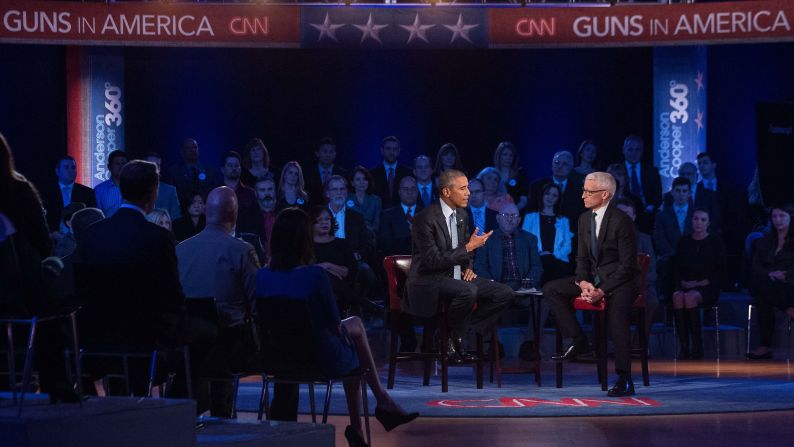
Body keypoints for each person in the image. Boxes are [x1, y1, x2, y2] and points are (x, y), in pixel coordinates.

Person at [257, 208, 418, 445]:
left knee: (352, 334)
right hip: (317, 360)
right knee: (354, 338)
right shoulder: (315, 275)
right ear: (304, 240)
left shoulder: (261, 276)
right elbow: (333, 325)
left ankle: (367, 421)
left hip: (276, 360)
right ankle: (377, 407)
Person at [544, 172, 639, 397]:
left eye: (589, 192)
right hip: (595, 279)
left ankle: (625, 378)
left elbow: (627, 266)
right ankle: (579, 340)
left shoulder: (622, 221)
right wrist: (583, 281)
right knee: (552, 289)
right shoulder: (584, 218)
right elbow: (582, 259)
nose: (583, 196)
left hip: (621, 281)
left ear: (605, 195)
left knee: (616, 315)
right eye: (583, 190)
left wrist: (602, 290)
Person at [405, 169, 514, 362]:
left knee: (504, 293)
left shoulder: (462, 215)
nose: (468, 193)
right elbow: (433, 261)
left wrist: (469, 266)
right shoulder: (424, 219)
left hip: (457, 276)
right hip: (429, 279)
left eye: (468, 189)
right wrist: (469, 247)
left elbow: (465, 252)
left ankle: (455, 334)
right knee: (468, 291)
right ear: (446, 192)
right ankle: (455, 336)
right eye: (463, 188)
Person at [176, 186, 260, 416]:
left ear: (206, 212)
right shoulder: (242, 251)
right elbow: (258, 303)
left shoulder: (180, 250)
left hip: (184, 348)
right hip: (230, 350)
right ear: (234, 215)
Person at [474, 203, 544, 354]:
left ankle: (529, 344)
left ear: (519, 220)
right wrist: (493, 285)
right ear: (498, 219)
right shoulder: (486, 239)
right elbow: (480, 268)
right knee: (483, 297)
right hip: (498, 289)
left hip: (522, 287)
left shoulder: (529, 239)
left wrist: (528, 282)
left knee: (543, 301)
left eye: (514, 216)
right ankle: (492, 344)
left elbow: (537, 267)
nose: (510, 220)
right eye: (506, 216)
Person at [671, 208, 726, 360]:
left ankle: (697, 346)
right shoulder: (684, 241)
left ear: (708, 223)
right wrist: (682, 282)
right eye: (696, 219)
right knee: (677, 296)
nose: (698, 223)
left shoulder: (715, 241)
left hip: (708, 286)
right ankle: (684, 346)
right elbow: (677, 267)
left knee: (690, 298)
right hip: (686, 285)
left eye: (702, 220)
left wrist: (701, 282)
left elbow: (721, 270)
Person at [312, 206, 382, 316]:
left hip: (342, 286)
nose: (324, 223)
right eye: (319, 220)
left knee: (326, 277)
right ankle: (363, 304)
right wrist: (325, 270)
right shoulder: (306, 246)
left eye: (327, 219)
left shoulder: (342, 244)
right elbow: (305, 270)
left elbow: (350, 271)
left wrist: (327, 265)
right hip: (315, 289)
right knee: (324, 277)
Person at [747, 205, 794, 360]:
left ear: (790, 217)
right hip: (768, 283)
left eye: (782, 216)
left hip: (788, 284)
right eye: (774, 217)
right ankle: (789, 309)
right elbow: (755, 267)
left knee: (762, 296)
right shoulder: (764, 241)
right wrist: (771, 274)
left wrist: (784, 275)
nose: (777, 220)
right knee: (760, 285)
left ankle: (764, 346)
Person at [325, 175, 377, 301]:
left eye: (342, 189)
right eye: (335, 190)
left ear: (346, 192)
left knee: (366, 272)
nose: (339, 193)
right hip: (327, 259)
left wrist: (358, 255)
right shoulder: (320, 215)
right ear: (327, 193)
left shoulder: (356, 217)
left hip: (352, 260)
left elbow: (367, 244)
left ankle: (359, 306)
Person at [614, 198, 659, 341]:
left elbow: (651, 269)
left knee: (652, 301)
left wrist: (640, 286)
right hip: (613, 286)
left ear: (633, 217)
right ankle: (615, 343)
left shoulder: (645, 239)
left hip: (641, 286)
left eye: (627, 214)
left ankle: (639, 343)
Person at [521, 183, 574, 284]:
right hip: (536, 260)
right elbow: (524, 242)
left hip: (558, 261)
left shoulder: (563, 220)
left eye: (554, 195)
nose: (550, 197)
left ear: (558, 199)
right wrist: (541, 254)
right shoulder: (530, 217)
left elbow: (567, 247)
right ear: (542, 195)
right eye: (547, 194)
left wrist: (553, 255)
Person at [654, 177, 694, 298]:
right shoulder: (662, 216)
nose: (681, 194)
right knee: (666, 264)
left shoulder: (697, 214)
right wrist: (674, 256)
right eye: (678, 190)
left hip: (692, 256)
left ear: (689, 193)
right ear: (672, 192)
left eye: (684, 191)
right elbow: (659, 238)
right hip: (670, 258)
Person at [42, 155, 96, 241]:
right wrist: (52, 234)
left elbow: (92, 218)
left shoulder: (87, 193)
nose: (71, 170)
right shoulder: (45, 193)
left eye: (73, 167)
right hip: (54, 241)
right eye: (66, 167)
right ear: (57, 171)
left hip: (80, 240)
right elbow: (43, 218)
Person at [528, 150, 585, 230]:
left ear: (571, 167)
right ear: (552, 165)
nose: (559, 166)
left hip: (569, 235)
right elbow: (531, 212)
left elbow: (581, 218)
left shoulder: (579, 190)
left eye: (564, 164)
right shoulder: (537, 186)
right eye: (557, 162)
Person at [662, 162, 721, 232]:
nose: (686, 177)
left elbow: (715, 219)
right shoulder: (668, 196)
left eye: (689, 174)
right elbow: (666, 221)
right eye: (682, 174)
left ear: (697, 175)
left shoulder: (709, 195)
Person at [622, 135, 662, 233]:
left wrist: (652, 206)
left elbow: (658, 195)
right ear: (623, 150)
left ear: (642, 151)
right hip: (623, 214)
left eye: (637, 150)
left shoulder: (652, 171)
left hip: (648, 215)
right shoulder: (617, 170)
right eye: (630, 149)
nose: (634, 153)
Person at [221, 151, 264, 238]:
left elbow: (257, 222)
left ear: (240, 169)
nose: (234, 168)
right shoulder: (215, 193)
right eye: (230, 165)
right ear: (222, 169)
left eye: (236, 165)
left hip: (244, 243)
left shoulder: (250, 193)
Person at [167, 138, 219, 206]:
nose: (192, 150)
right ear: (182, 152)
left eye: (195, 147)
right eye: (188, 148)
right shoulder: (174, 172)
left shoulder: (210, 172)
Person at [379, 176, 420, 257]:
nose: (410, 192)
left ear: (417, 191)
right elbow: (386, 245)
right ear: (399, 192)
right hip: (396, 262)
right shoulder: (387, 215)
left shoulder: (428, 214)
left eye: (413, 189)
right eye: (405, 189)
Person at [369, 136, 413, 209]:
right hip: (379, 216)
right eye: (388, 149)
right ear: (382, 150)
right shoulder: (372, 174)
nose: (391, 152)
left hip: (402, 215)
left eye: (395, 149)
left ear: (399, 151)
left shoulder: (408, 173)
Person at [305, 137, 347, 204]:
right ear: (317, 153)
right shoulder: (307, 174)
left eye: (331, 151)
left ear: (335, 154)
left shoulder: (342, 174)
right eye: (325, 151)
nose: (328, 155)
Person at [145, 152, 182, 221]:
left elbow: (176, 219)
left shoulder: (170, 191)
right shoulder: (134, 190)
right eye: (150, 165)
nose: (154, 168)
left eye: (157, 165)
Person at [493, 141, 528, 212]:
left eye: (511, 155)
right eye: (505, 155)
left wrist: (512, 211)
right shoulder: (492, 174)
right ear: (499, 156)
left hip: (514, 213)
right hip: (494, 212)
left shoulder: (520, 174)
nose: (508, 158)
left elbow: (524, 200)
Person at [347, 165, 382, 235]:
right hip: (351, 235)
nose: (362, 182)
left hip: (370, 236)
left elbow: (377, 224)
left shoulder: (376, 200)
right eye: (358, 179)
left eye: (365, 179)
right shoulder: (346, 198)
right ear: (352, 183)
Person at [94, 150, 128, 217]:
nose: (121, 167)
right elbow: (97, 218)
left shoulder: (136, 187)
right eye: (117, 164)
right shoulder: (99, 190)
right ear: (109, 167)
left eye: (123, 164)